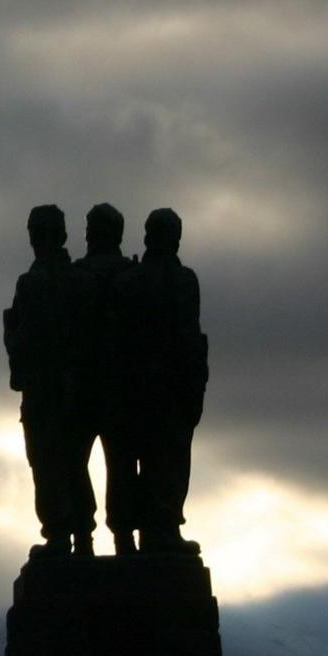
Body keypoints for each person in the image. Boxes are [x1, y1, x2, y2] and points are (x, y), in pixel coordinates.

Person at [112, 207, 208, 555]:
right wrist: (194, 384)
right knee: (167, 460)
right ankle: (161, 530)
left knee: (143, 463)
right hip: (167, 386)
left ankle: (149, 530)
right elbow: (188, 336)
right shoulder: (183, 280)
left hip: (135, 386)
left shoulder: (127, 281)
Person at [5, 204, 95, 557]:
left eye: (36, 232)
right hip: (77, 390)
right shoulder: (83, 281)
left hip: (47, 391)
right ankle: (80, 536)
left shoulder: (32, 284)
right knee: (73, 464)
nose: (33, 240)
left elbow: (22, 339)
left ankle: (60, 535)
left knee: (49, 463)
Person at [76, 203, 139, 555]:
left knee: (74, 463)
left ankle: (82, 537)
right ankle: (124, 536)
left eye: (91, 228)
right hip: (121, 387)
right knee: (122, 464)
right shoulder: (133, 276)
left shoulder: (76, 275)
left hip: (84, 386)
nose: (86, 234)